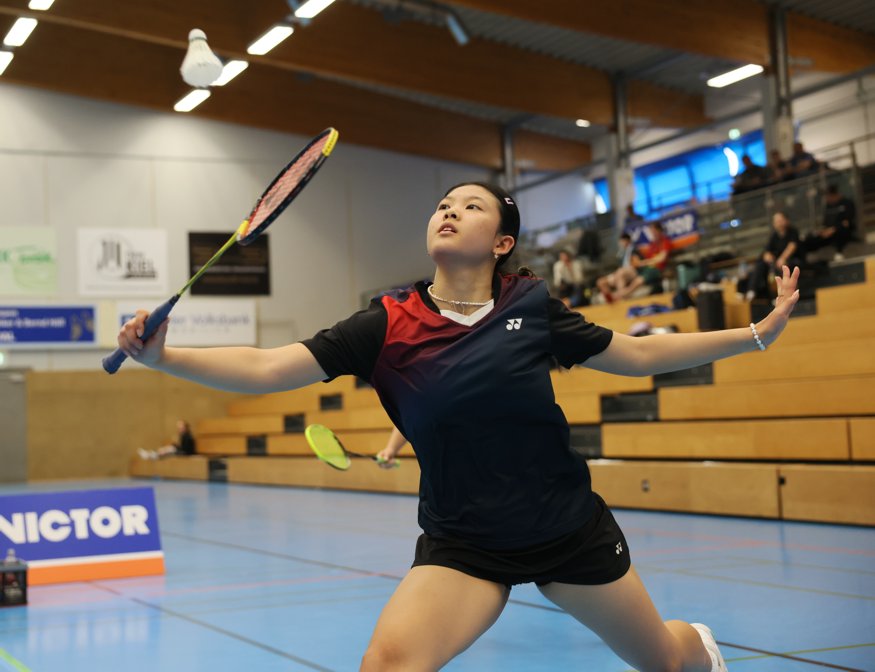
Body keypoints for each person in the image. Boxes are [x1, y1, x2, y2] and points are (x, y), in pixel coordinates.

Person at [118, 181, 801, 672]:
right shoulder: (385, 323)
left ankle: (698, 646)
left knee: (666, 662)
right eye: (443, 204)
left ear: (502, 242)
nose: (448, 210)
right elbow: (268, 366)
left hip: (566, 531)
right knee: (385, 666)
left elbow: (639, 354)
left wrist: (754, 335)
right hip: (466, 545)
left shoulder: (532, 308)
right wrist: (165, 357)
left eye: (470, 205)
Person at [745, 211, 802, 301]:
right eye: (776, 221)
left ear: (786, 220)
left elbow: (792, 246)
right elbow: (767, 250)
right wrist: (767, 255)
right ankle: (752, 291)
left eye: (780, 220)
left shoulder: (793, 232)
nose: (778, 223)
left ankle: (786, 295)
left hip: (793, 260)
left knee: (782, 267)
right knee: (761, 265)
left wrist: (782, 258)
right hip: (776, 262)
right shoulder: (774, 235)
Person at [800, 184, 857, 262]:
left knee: (842, 230)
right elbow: (825, 222)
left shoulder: (847, 203)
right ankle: (807, 258)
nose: (826, 198)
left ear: (833, 195)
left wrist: (833, 229)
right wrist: (822, 230)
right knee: (809, 238)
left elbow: (847, 222)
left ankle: (839, 252)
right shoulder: (828, 206)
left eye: (828, 196)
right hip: (828, 232)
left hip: (842, 230)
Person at [595, 232, 640, 302]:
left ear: (627, 241)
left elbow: (637, 263)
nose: (621, 243)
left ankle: (621, 296)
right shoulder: (620, 253)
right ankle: (611, 301)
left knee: (620, 272)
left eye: (623, 241)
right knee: (601, 282)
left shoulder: (634, 250)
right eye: (620, 242)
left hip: (632, 271)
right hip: (621, 273)